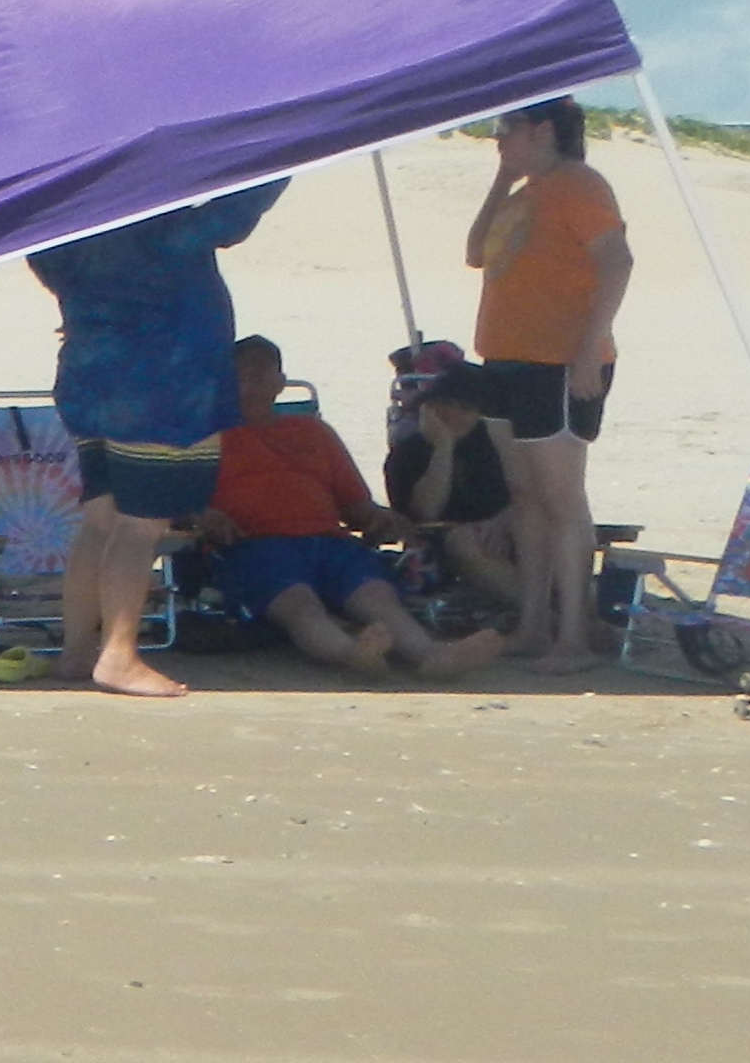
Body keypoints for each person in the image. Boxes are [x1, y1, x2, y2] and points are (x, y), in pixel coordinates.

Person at [25, 181, 284, 698]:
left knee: (99, 521)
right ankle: (118, 654)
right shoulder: (161, 228)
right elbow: (233, 217)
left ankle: (77, 648)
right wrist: (293, 157)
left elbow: (44, 261)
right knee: (139, 528)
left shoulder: (64, 227)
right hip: (164, 387)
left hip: (88, 377)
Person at [201, 338, 508, 678]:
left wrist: (377, 516)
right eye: (243, 373)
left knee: (377, 596)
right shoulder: (204, 435)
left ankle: (431, 655)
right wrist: (202, 514)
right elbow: (178, 502)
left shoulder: (313, 431)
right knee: (300, 605)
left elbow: (354, 502)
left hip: (329, 540)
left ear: (280, 382)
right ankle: (352, 654)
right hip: (255, 542)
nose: (252, 381)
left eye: (262, 373)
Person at [464, 99, 635, 670]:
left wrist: (589, 349)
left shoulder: (579, 185)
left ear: (541, 131)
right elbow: (474, 252)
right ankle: (534, 626)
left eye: (504, 130)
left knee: (562, 499)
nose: (497, 140)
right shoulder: (528, 192)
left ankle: (572, 636)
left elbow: (617, 260)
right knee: (526, 498)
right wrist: (503, 178)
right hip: (506, 358)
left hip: (556, 362)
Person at [381, 359, 518, 609]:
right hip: (444, 549)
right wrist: (444, 446)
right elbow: (425, 513)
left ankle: (569, 612)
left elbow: (529, 493)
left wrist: (501, 523)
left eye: (464, 409)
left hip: (506, 530)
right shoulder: (407, 454)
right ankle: (544, 615)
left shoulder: (496, 445)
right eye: (444, 404)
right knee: (462, 542)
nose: (452, 414)